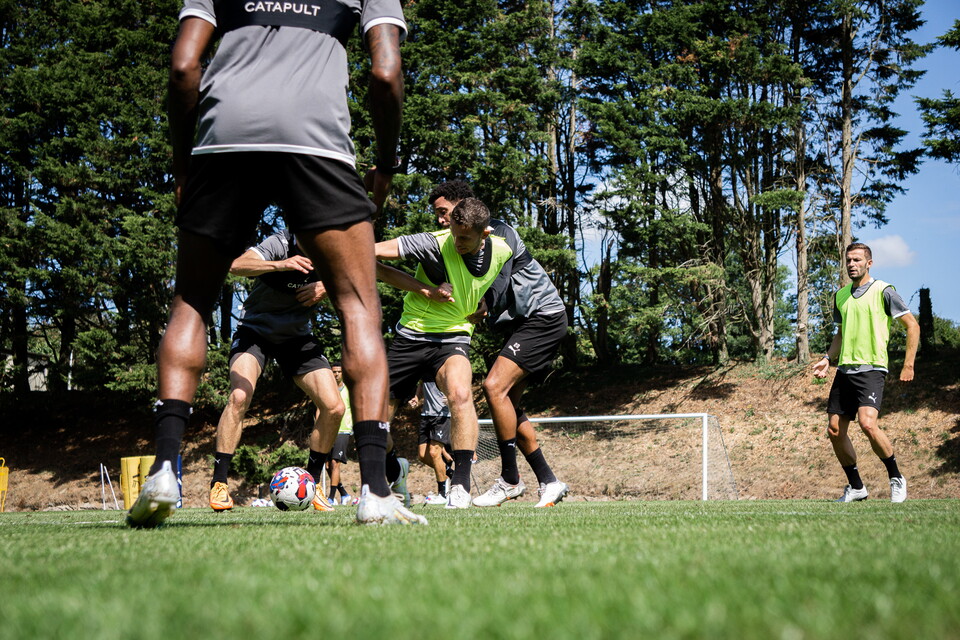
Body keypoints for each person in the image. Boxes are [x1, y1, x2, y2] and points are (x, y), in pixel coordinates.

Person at [127, 0, 426, 527]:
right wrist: (385, 163)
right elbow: (385, 73)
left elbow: (183, 66)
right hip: (318, 142)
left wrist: (182, 165)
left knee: (192, 302)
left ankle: (166, 471)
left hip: (224, 138)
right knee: (360, 309)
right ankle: (375, 490)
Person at [429, 181, 569, 508]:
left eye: (443, 212)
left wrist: (485, 305)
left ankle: (510, 479)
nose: (439, 220)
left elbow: (500, 278)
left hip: (544, 317)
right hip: (523, 324)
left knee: (493, 386)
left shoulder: (500, 232)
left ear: (463, 205)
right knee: (508, 405)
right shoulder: (458, 243)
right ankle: (549, 481)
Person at [374, 198, 513, 509]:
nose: (457, 242)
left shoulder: (503, 249)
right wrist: (424, 289)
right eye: (454, 233)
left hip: (453, 336)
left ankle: (460, 486)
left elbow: (506, 275)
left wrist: (489, 302)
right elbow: (371, 252)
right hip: (410, 335)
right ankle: (394, 469)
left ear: (484, 234)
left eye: (465, 237)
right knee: (373, 423)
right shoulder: (433, 243)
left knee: (461, 394)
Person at [208, 230, 341, 513]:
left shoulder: (329, 249)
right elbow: (237, 265)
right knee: (240, 396)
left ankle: (314, 485)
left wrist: (326, 286)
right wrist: (282, 264)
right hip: (255, 332)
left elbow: (362, 272)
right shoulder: (279, 243)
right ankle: (219, 484)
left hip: (297, 337)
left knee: (334, 407)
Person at [812, 242, 920, 503]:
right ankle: (856, 487)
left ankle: (896, 477)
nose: (852, 264)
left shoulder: (884, 291)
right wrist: (828, 358)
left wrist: (908, 365)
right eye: (849, 260)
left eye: (857, 260)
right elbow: (841, 332)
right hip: (845, 370)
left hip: (872, 368)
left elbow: (912, 326)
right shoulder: (841, 296)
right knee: (835, 430)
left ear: (869, 263)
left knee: (868, 423)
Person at [415, 381, 454, 505]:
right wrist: (416, 396)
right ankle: (450, 472)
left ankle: (443, 494)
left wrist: (451, 397)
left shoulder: (443, 366)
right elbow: (421, 384)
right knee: (422, 456)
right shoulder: (424, 365)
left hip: (442, 415)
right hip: (426, 415)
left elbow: (458, 383)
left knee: (434, 452)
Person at [326, 362, 354, 506]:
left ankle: (330, 498)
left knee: (334, 463)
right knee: (327, 466)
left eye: (338, 372)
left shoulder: (349, 390)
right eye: (333, 372)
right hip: (328, 430)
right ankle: (343, 493)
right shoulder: (327, 390)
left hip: (343, 430)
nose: (336, 374)